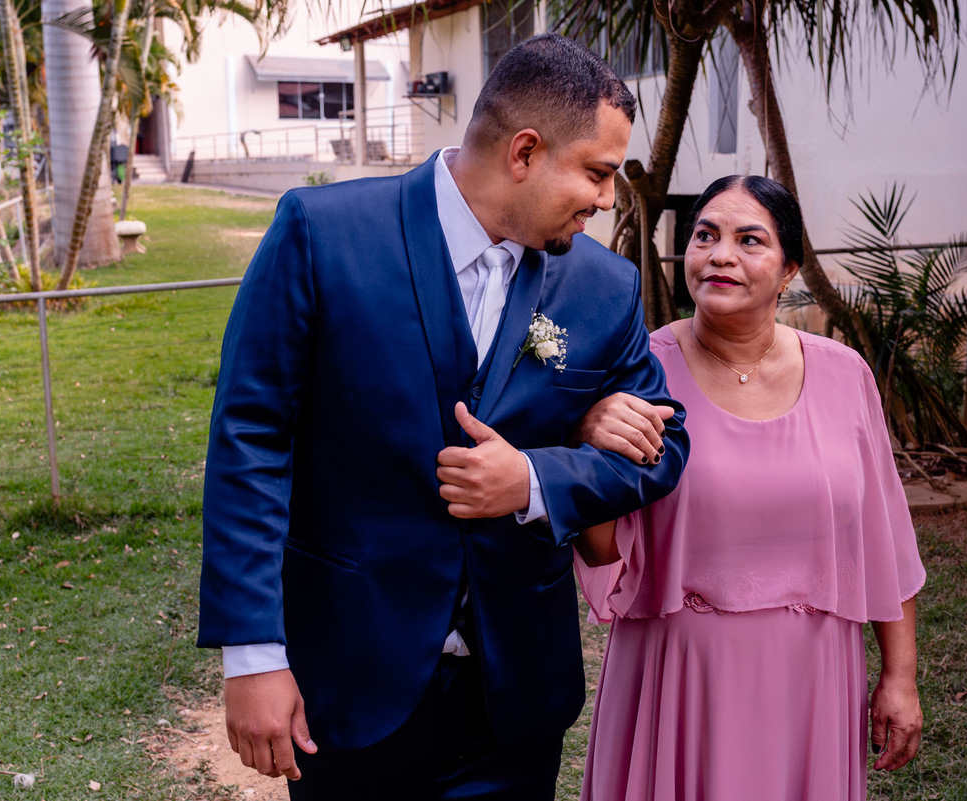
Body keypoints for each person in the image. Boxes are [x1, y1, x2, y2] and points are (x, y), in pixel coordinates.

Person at [197, 34, 691, 801]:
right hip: (351, 680)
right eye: (597, 172)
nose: (605, 199)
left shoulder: (605, 285)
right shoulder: (323, 234)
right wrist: (253, 652)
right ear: (524, 152)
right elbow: (250, 440)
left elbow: (664, 444)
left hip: (515, 698)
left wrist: (535, 477)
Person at [572, 175, 926, 801]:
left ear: (789, 269)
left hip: (814, 676)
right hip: (679, 676)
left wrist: (900, 677)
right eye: (705, 236)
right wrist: (586, 447)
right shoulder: (640, 371)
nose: (721, 255)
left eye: (749, 240)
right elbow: (603, 550)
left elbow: (885, 538)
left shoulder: (845, 375)